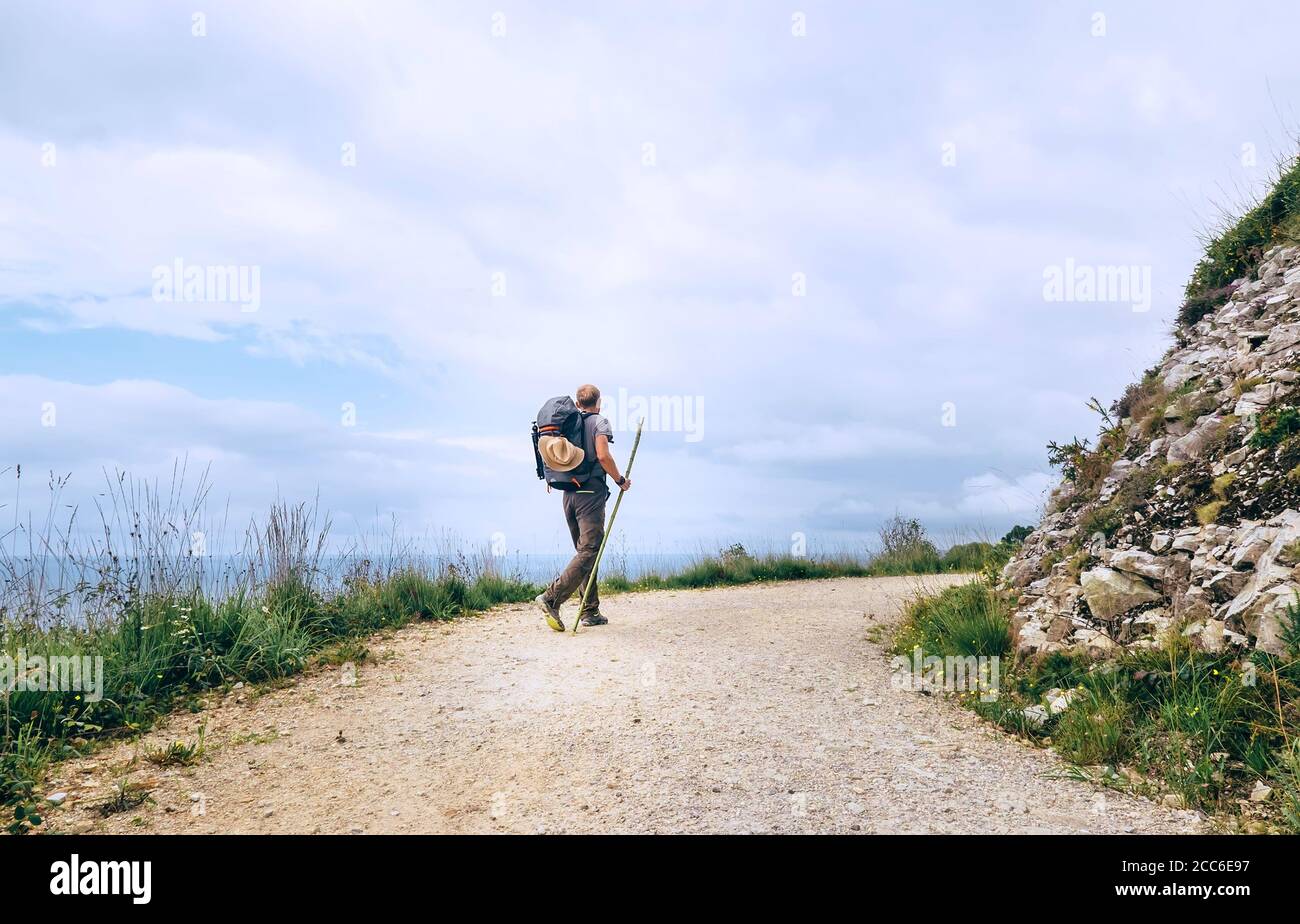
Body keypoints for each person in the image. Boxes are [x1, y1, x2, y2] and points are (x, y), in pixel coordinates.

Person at [534, 384, 631, 631]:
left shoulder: (567, 425)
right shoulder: (600, 422)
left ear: (577, 404)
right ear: (599, 402)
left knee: (585, 553)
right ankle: (551, 598)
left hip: (567, 494)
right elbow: (602, 455)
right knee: (589, 552)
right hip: (590, 493)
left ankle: (590, 610)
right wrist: (620, 480)